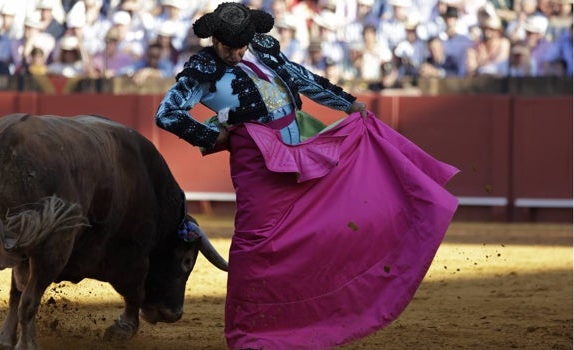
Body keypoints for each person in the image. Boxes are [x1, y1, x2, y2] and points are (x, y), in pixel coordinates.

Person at [154, 3, 458, 349]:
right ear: (215, 40)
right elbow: (167, 114)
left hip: (298, 150)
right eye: (228, 47)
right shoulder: (202, 69)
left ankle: (310, 312)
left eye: (241, 46)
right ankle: (250, 330)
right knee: (255, 244)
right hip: (256, 160)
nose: (236, 54)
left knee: (319, 228)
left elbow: (302, 79)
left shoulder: (262, 51)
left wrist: (347, 103)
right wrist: (212, 137)